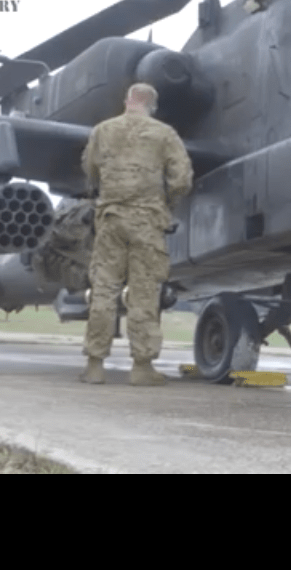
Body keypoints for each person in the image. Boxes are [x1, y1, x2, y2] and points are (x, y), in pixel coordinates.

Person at [80, 83, 193, 386]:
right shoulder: (164, 134)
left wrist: (105, 191)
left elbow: (89, 168)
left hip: (110, 219)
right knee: (144, 293)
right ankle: (141, 367)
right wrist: (165, 203)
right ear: (152, 105)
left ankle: (95, 365)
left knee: (103, 289)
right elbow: (181, 178)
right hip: (147, 222)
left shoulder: (103, 130)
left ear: (126, 100)